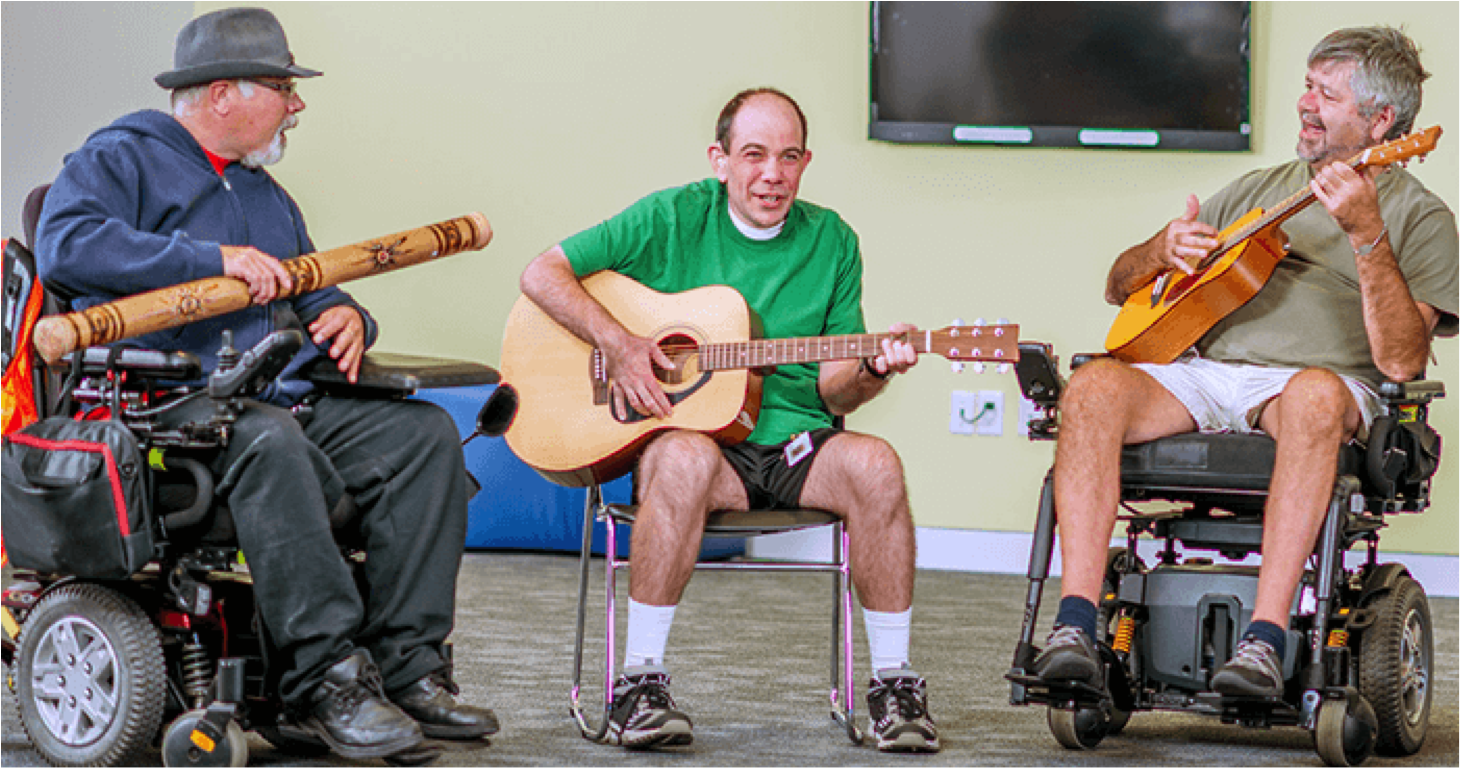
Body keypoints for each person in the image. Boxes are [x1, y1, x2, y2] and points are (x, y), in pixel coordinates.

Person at [34, 8, 496, 760]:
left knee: (424, 437)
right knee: (269, 441)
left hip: (271, 398)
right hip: (168, 409)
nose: (298, 102)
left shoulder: (269, 197)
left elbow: (310, 290)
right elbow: (67, 243)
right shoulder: (121, 157)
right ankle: (325, 682)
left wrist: (347, 316)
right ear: (223, 95)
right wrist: (210, 258)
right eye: (284, 85)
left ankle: (409, 669)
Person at [1033, 26, 1459, 698]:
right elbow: (1119, 286)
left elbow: (1402, 359)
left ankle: (1265, 638)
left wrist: (1366, 235)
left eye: (1327, 93)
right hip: (1207, 374)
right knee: (1089, 388)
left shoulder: (1420, 217)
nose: (1304, 102)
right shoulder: (1262, 189)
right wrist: (1159, 250)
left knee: (1316, 395)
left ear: (1382, 122)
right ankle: (1074, 624)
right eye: (1307, 85)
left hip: (1320, 382)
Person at [519, 87, 940, 752]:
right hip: (699, 448)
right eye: (754, 155)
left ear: (806, 162)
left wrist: (875, 367)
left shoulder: (832, 240)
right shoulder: (671, 217)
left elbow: (837, 387)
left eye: (789, 156)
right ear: (720, 159)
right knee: (681, 457)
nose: (772, 173)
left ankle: (894, 684)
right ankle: (639, 683)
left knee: (878, 462)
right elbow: (542, 274)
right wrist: (621, 344)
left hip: (798, 443)